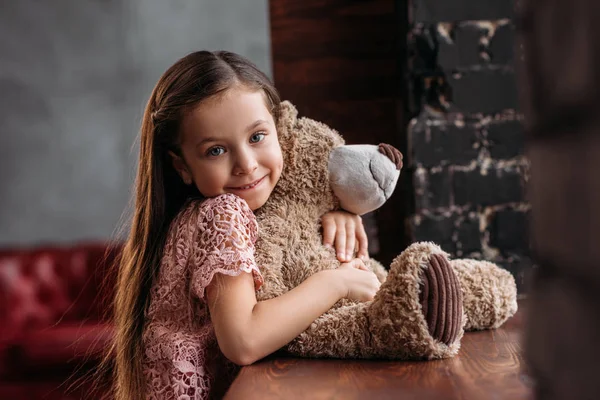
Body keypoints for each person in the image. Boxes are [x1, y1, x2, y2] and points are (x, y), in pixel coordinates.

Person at [110, 50, 382, 400]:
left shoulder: (200, 213)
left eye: (257, 137)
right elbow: (243, 340)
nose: (246, 165)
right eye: (215, 151)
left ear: (279, 130)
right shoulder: (222, 213)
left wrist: (328, 212)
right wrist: (336, 282)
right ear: (181, 166)